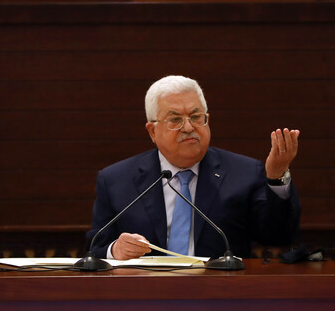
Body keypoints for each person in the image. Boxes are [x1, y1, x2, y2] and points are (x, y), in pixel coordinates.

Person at [86, 75, 301, 260]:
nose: (188, 127)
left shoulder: (244, 173)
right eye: (175, 119)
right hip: (146, 296)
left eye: (196, 117)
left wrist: (276, 177)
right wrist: (116, 250)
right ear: (152, 131)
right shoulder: (116, 180)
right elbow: (95, 249)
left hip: (221, 295)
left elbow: (278, 237)